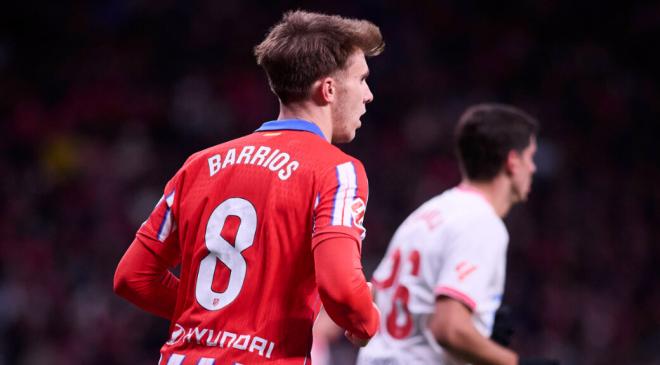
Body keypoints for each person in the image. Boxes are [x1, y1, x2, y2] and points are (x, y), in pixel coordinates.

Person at [113, 10, 384, 364]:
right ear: (328, 89)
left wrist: (218, 318)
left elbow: (132, 278)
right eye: (362, 79)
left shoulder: (199, 166)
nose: (369, 95)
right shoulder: (336, 171)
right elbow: (342, 290)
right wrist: (368, 321)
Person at [357, 103, 558, 365]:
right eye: (530, 157)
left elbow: (382, 300)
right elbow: (448, 327)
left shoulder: (427, 214)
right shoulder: (482, 224)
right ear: (512, 162)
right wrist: (513, 362)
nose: (533, 168)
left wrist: (478, 335)